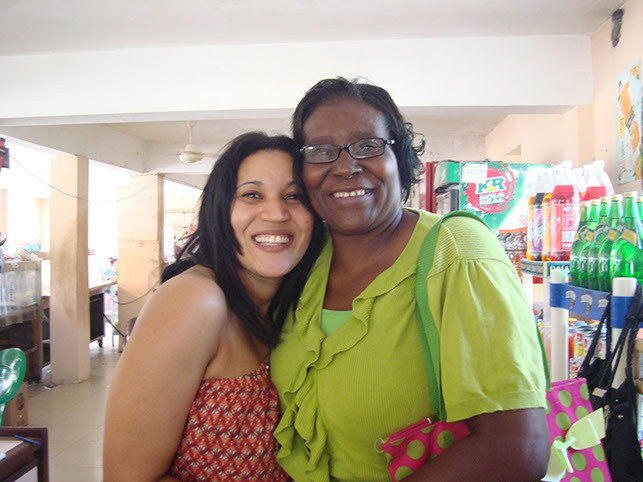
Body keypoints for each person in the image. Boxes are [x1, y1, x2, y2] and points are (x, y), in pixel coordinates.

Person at [270, 78, 550, 481]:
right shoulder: (304, 260)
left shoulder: (456, 251)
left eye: (368, 146)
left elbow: (517, 449)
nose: (345, 167)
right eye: (321, 152)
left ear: (399, 157)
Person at [103, 132, 323, 481]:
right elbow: (126, 477)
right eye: (252, 195)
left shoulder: (299, 305)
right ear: (221, 210)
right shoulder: (196, 300)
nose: (277, 213)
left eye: (294, 196)